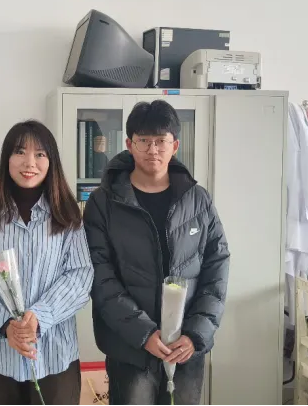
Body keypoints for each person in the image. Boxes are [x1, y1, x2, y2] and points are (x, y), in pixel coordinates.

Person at [83, 100, 230, 405]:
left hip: (185, 347)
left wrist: (196, 334)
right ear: (129, 144)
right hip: (131, 348)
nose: (153, 150)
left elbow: (217, 268)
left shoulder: (197, 200)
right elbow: (100, 276)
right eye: (144, 141)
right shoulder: (103, 202)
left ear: (174, 145)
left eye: (161, 141)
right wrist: (143, 333)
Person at [0, 120, 93, 405]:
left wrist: (40, 317)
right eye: (20, 152)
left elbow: (80, 275)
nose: (29, 162)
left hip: (54, 351)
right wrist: (6, 324)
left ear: (51, 161)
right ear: (7, 159)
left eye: (40, 154)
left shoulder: (67, 214)